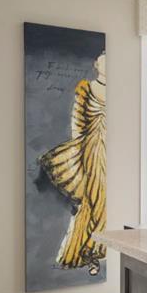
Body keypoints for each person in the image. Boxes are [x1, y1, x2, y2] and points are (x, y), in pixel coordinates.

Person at [39, 51, 107, 275]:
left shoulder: (119, 92)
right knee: (93, 200)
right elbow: (77, 123)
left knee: (106, 203)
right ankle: (88, 251)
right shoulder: (85, 88)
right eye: (103, 61)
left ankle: (93, 249)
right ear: (96, 64)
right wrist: (77, 155)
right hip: (91, 151)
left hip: (112, 155)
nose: (107, 65)